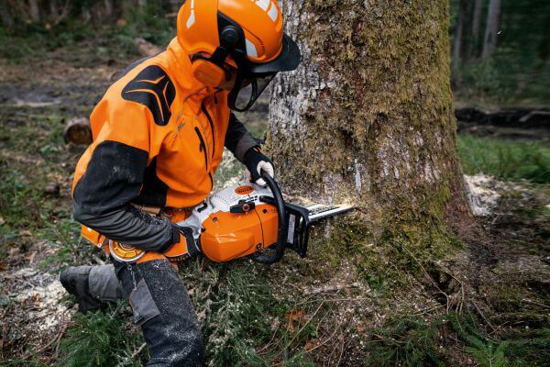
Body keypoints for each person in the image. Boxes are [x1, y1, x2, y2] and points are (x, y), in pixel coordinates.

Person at [59, 0, 301, 366]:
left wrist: (251, 154)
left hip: (178, 206)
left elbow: (222, 117)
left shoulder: (205, 77)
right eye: (247, 74)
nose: (250, 83)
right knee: (181, 344)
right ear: (213, 58)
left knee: (210, 252)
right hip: (131, 222)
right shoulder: (140, 106)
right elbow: (95, 207)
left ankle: (88, 285)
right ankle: (128, 279)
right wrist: (172, 238)